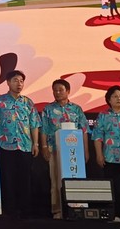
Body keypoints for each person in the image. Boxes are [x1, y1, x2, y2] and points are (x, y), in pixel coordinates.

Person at [0, 70, 41, 219]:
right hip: (5, 145)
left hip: (25, 145)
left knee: (25, 178)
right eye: (15, 80)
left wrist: (36, 143)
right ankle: (10, 208)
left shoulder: (28, 102)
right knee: (8, 177)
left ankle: (25, 208)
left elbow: (34, 124)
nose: (19, 84)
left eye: (21, 81)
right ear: (8, 82)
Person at [40, 79, 89, 219]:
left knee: (76, 178)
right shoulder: (48, 109)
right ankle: (57, 209)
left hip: (75, 151)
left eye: (60, 90)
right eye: (55, 90)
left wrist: (85, 151)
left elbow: (84, 131)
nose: (57, 92)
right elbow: (44, 129)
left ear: (68, 91)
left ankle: (78, 207)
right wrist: (44, 147)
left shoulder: (76, 109)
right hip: (55, 149)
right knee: (56, 180)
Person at [93, 85, 120, 222]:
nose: (119, 98)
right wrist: (99, 154)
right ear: (109, 100)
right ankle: (115, 215)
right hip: (110, 157)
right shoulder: (103, 116)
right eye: (115, 96)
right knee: (114, 187)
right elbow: (97, 136)